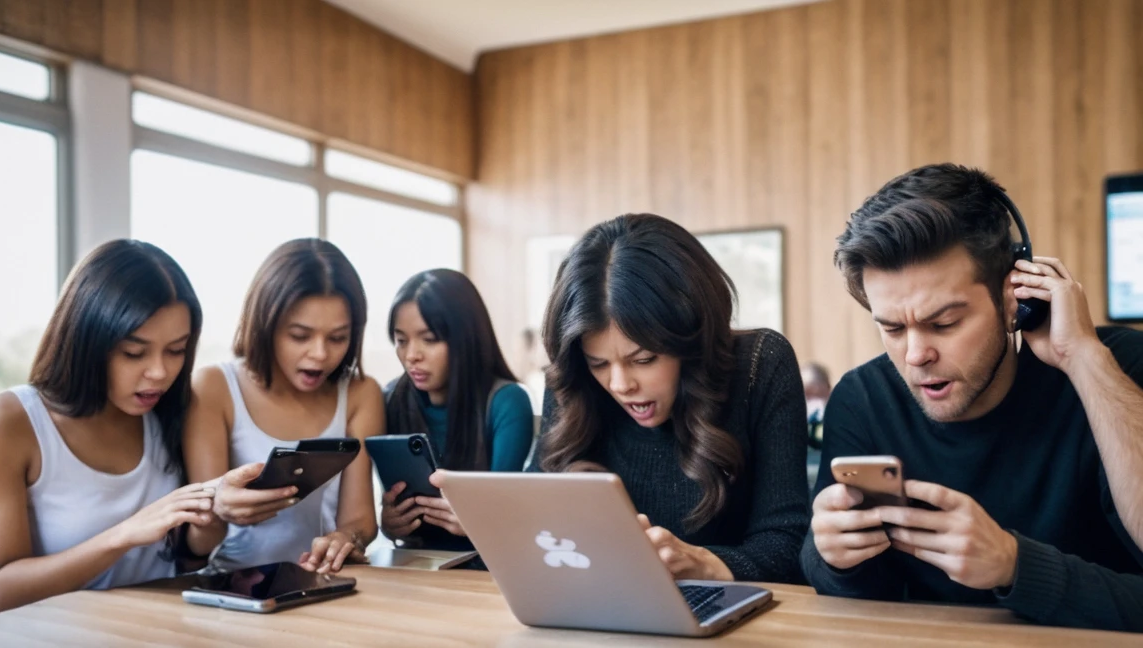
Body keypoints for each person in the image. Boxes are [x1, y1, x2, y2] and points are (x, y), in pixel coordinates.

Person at [802, 163, 1143, 632]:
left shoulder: (1115, 368)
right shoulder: (863, 399)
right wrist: (834, 559)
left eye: (944, 323)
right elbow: (857, 599)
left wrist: (1015, 565)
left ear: (1014, 297)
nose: (917, 355)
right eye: (893, 328)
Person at [530, 213, 808, 583]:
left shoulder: (761, 365)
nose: (619, 384)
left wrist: (706, 565)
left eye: (643, 360)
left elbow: (788, 544)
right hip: (590, 606)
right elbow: (534, 522)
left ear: (690, 341)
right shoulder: (574, 380)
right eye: (599, 363)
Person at [0, 240, 214, 613]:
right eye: (134, 353)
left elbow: (187, 566)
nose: (159, 372)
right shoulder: (12, 423)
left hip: (157, 633)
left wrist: (214, 518)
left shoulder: (173, 412)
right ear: (86, 341)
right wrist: (123, 536)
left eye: (176, 350)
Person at [184, 239, 380, 574]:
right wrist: (217, 508)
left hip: (322, 583)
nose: (320, 354)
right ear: (266, 325)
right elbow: (200, 541)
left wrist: (347, 537)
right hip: (231, 587)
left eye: (337, 338)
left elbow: (360, 519)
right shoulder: (214, 387)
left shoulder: (361, 394)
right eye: (300, 336)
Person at [379, 269, 533, 551]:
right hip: (413, 565)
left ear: (466, 338)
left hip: (485, 565)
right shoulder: (390, 399)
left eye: (429, 339)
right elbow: (386, 510)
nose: (412, 355)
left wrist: (479, 520)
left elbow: (507, 516)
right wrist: (389, 524)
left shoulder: (505, 402)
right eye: (401, 341)